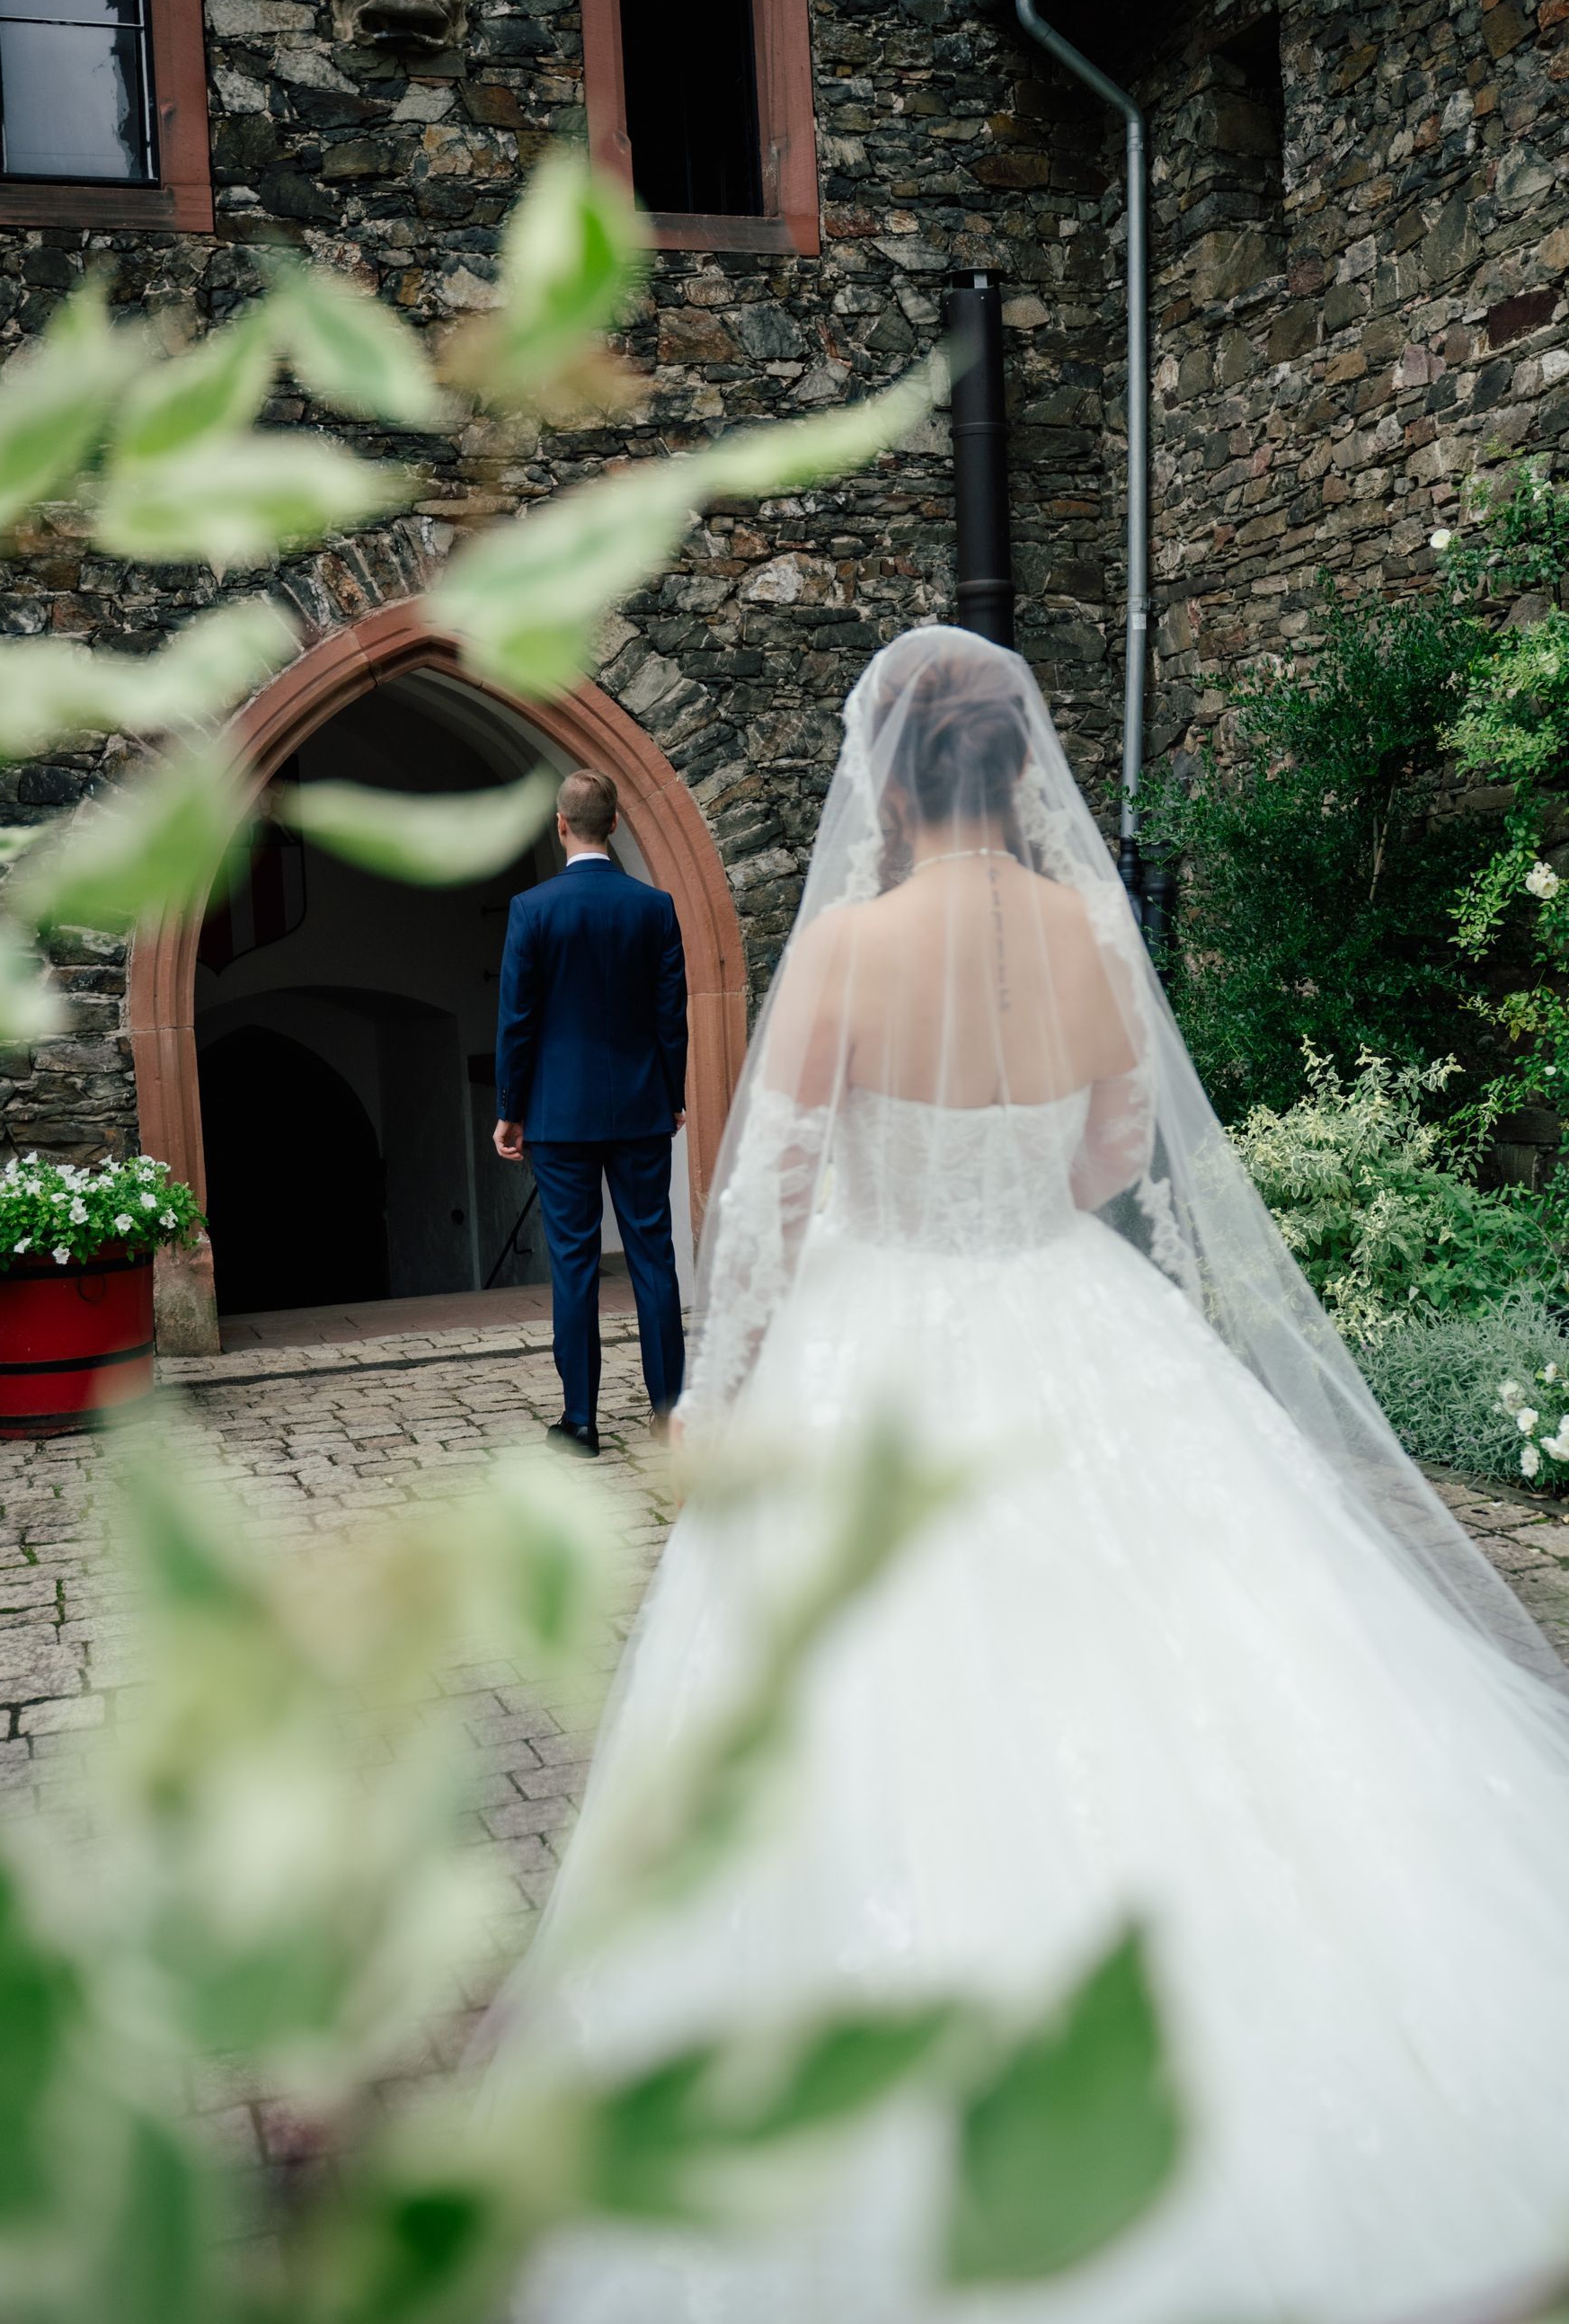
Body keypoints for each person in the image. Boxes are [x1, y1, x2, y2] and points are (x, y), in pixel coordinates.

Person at [501, 629, 1569, 2324]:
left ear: (890, 781)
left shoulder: (847, 950)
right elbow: (1113, 1154)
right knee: (1212, 1671)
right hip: (1079, 1318)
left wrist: (716, 1392)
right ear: (1014, 771)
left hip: (881, 1342)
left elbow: (764, 1205)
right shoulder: (1090, 930)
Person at [494, 768, 687, 1458]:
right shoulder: (655, 907)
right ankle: (670, 1415)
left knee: (574, 1265)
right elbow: (672, 1016)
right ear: (615, 822)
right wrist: (673, 1096)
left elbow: (518, 1020)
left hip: (559, 1116)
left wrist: (510, 1110)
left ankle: (581, 1421)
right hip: (640, 1109)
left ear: (561, 823)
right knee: (652, 1258)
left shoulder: (533, 909)